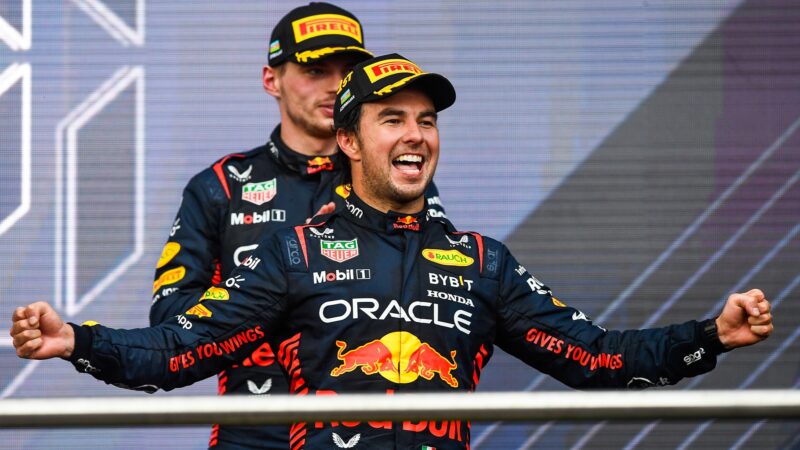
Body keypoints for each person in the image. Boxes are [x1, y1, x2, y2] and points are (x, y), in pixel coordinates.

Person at [10, 54, 773, 450]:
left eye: (427, 119)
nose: (416, 134)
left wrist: (711, 337)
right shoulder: (292, 254)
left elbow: (598, 357)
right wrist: (78, 340)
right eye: (392, 118)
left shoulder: (483, 261)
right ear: (348, 142)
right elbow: (180, 350)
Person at [147, 3, 446, 448]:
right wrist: (276, 303)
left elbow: (432, 290)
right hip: (252, 430)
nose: (333, 86)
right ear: (272, 80)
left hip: (361, 431)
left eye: (347, 70)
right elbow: (169, 313)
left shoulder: (394, 175)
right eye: (315, 70)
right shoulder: (221, 187)